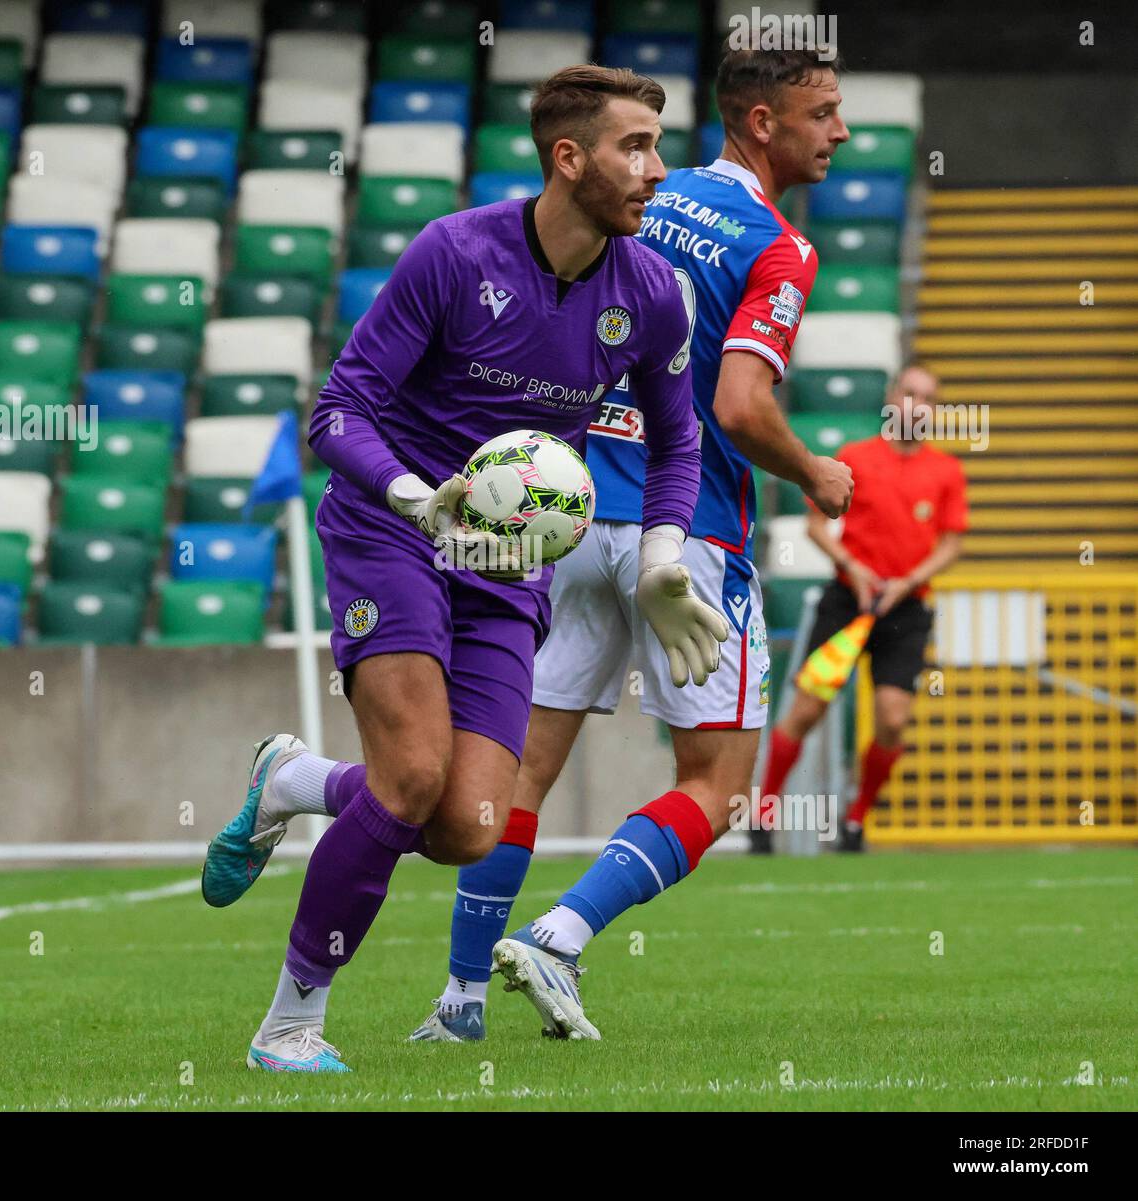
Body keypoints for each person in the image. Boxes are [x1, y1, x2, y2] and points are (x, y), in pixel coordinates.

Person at [200, 65, 729, 1072]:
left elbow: (677, 443)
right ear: (567, 158)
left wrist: (663, 556)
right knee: (406, 779)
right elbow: (338, 409)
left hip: (507, 565)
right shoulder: (455, 252)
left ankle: (293, 780)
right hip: (390, 527)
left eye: (657, 146)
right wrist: (414, 496)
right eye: (634, 147)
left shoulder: (652, 293)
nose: (656, 170)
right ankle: (290, 1024)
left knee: (466, 827)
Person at [403, 45, 855, 1043]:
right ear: (763, 123)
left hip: (567, 518)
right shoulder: (776, 245)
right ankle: (561, 934)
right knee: (715, 785)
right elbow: (737, 406)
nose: (842, 132)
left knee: (517, 776)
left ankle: (460, 999)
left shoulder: (639, 189)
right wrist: (816, 470)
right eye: (822, 113)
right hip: (681, 536)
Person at [756, 363, 967, 853]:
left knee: (893, 720)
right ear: (892, 396)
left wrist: (909, 581)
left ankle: (855, 823)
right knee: (805, 712)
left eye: (927, 398)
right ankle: (763, 818)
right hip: (848, 603)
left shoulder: (946, 471)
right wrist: (855, 569)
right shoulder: (855, 458)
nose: (917, 404)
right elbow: (813, 526)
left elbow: (951, 544)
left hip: (907, 607)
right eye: (910, 393)